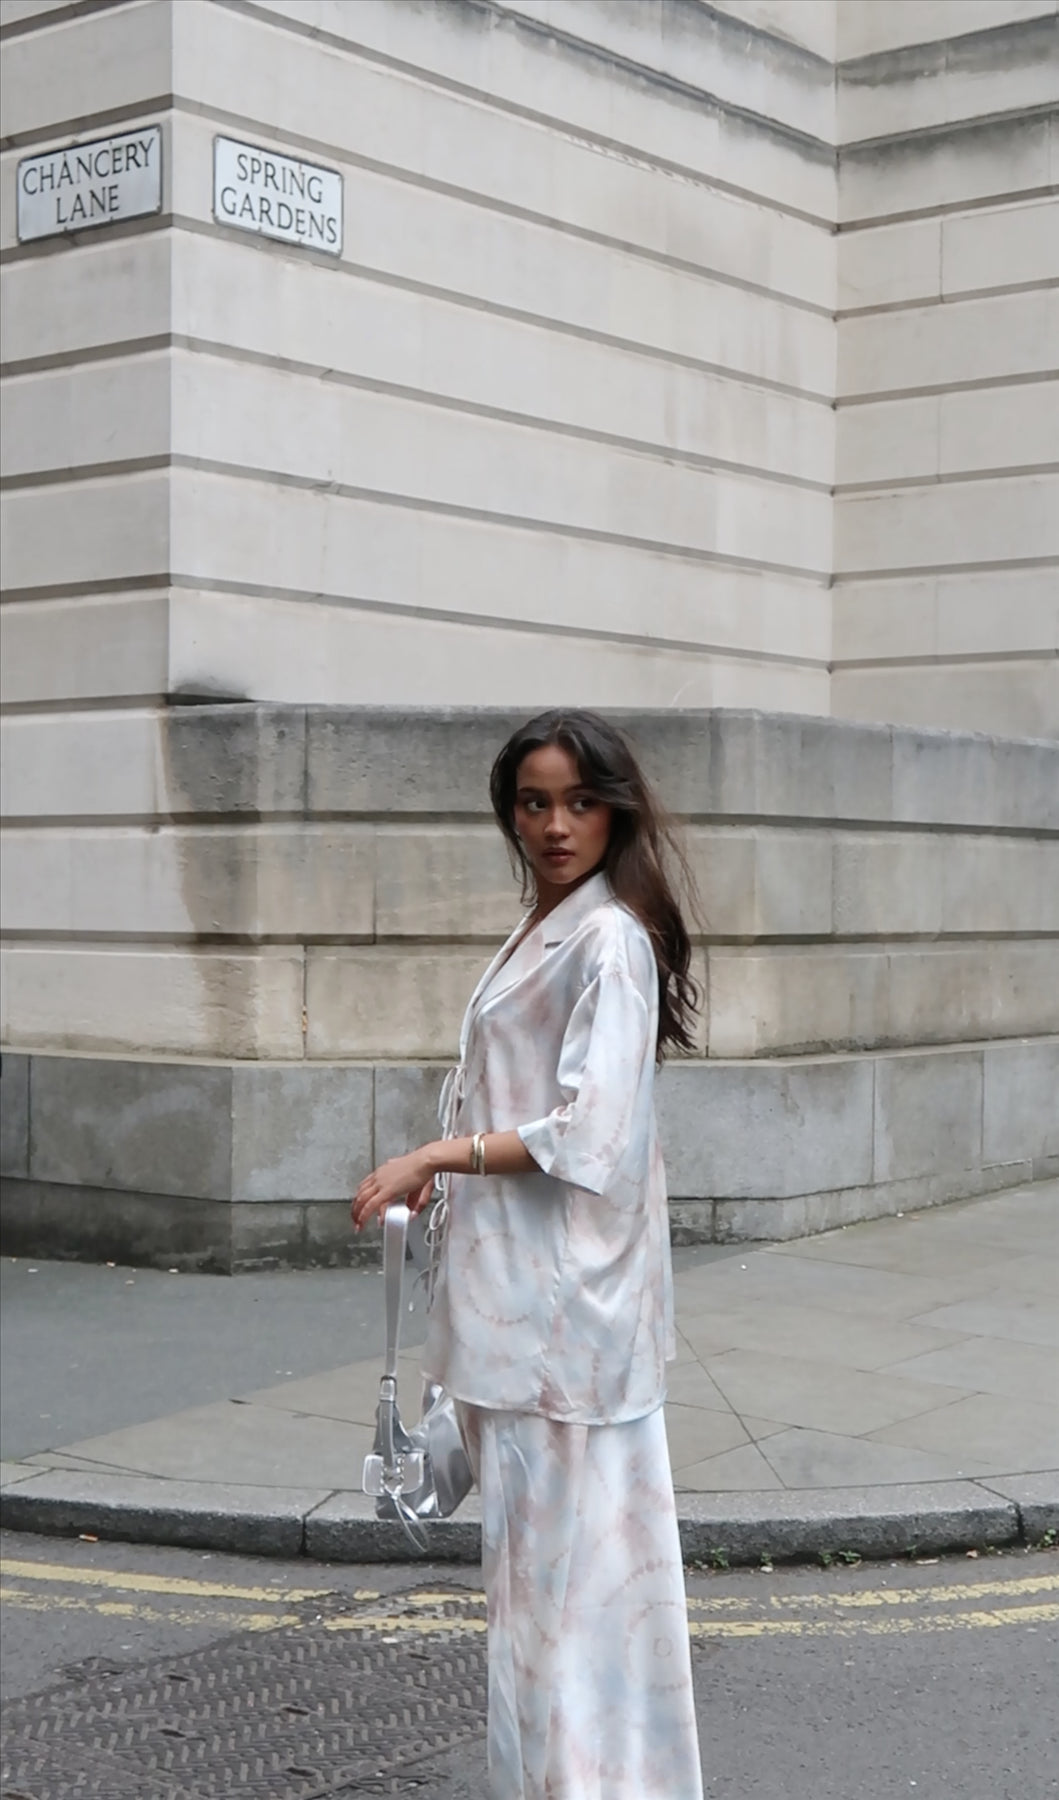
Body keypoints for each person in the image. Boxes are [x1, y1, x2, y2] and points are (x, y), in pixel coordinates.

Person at [352, 708, 704, 1800]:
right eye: (534, 803)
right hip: (534, 1316)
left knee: (551, 1617)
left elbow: (590, 1135)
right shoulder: (553, 924)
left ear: (615, 811)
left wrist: (434, 1156)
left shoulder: (609, 939)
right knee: (577, 1607)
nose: (556, 825)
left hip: (558, 1329)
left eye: (580, 802)